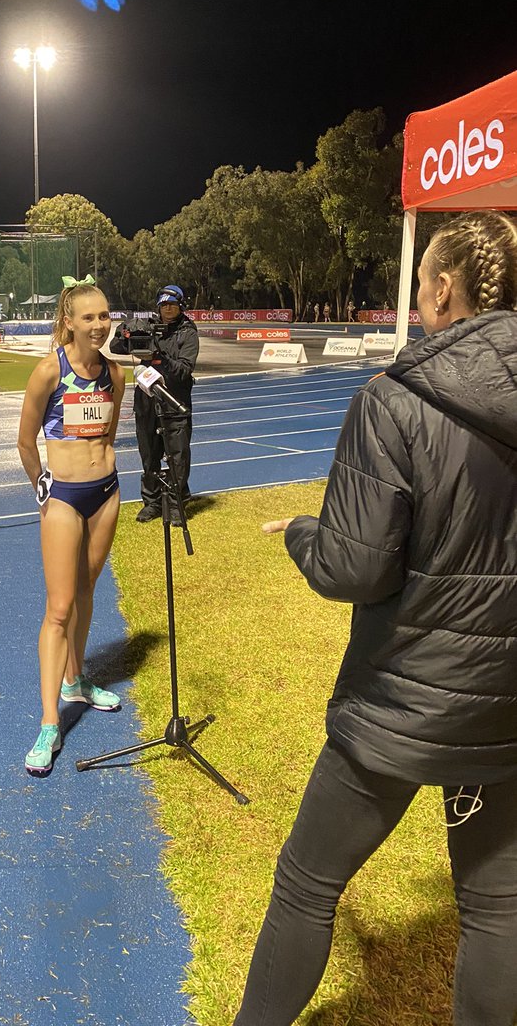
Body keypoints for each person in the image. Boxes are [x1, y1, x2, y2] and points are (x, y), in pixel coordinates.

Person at [233, 211, 517, 1026]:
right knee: (497, 910)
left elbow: (352, 569)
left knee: (306, 885)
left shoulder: (393, 401)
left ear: (442, 288)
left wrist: (303, 532)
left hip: (402, 701)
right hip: (506, 704)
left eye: (422, 281)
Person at [17, 275, 127, 777]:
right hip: (63, 497)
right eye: (89, 317)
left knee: (87, 589)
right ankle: (49, 722)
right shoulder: (49, 371)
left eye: (104, 315)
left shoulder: (116, 374)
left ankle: (76, 680)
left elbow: (108, 435)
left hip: (106, 494)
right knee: (59, 608)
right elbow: (25, 441)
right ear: (70, 321)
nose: (99, 325)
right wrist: (42, 485)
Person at [110, 284, 199, 525]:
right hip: (146, 402)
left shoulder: (188, 332)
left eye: (172, 304)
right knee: (149, 455)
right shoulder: (148, 326)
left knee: (177, 457)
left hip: (175, 402)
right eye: (163, 304)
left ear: (181, 306)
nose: (167, 308)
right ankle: (152, 503)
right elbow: (115, 347)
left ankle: (176, 504)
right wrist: (126, 331)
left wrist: (158, 356)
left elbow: (184, 371)